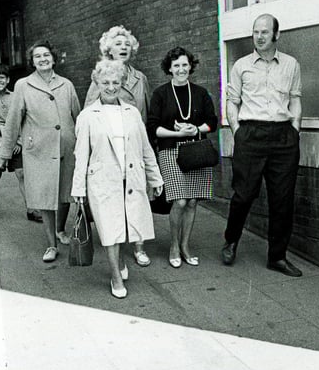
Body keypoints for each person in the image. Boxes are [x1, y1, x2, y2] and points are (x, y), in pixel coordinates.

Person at [72, 59, 163, 299]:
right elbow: (81, 155)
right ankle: (115, 276)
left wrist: (155, 178)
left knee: (124, 225)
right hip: (102, 180)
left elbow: (145, 148)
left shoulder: (132, 113)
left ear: (122, 84)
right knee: (110, 228)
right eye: (105, 82)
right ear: (97, 83)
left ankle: (121, 259)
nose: (111, 87)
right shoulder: (88, 115)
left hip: (130, 178)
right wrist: (78, 189)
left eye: (116, 82)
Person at [222, 14, 303, 277]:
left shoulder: (291, 64)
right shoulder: (241, 66)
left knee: (283, 200)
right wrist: (238, 133)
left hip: (283, 137)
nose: (259, 36)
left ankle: (277, 257)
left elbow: (295, 99)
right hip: (251, 134)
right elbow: (232, 102)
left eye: (265, 32)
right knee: (244, 194)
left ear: (276, 35)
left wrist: (295, 130)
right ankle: (231, 241)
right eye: (256, 32)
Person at [0, 41, 80, 263]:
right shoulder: (24, 85)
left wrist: (83, 146)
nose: (42, 59)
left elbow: (78, 116)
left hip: (66, 147)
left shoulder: (67, 85)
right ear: (32, 61)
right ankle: (51, 245)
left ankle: (61, 230)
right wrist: (5, 153)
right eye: (37, 57)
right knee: (44, 197)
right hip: (39, 149)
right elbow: (13, 120)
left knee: (64, 193)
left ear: (53, 59)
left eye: (46, 55)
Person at [85, 25, 153, 267]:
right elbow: (89, 116)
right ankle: (118, 247)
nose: (123, 47)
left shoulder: (140, 77)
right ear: (108, 49)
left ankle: (139, 245)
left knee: (137, 197)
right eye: (117, 43)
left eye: (126, 43)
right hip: (110, 149)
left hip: (134, 146)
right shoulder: (101, 77)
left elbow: (145, 111)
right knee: (116, 200)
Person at [147, 47, 218, 268]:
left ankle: (186, 246)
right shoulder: (160, 94)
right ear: (169, 68)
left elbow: (212, 123)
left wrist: (195, 129)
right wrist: (178, 133)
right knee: (179, 200)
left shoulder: (200, 93)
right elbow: (153, 127)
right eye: (176, 65)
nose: (181, 69)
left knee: (193, 201)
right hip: (170, 150)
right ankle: (174, 246)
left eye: (185, 65)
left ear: (191, 67)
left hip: (196, 151)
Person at [0, 62, 41, 223]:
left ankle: (31, 208)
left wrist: (18, 142)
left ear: (7, 80)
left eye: (2, 78)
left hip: (16, 139)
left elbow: (22, 120)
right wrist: (2, 141)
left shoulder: (15, 96)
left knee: (21, 173)